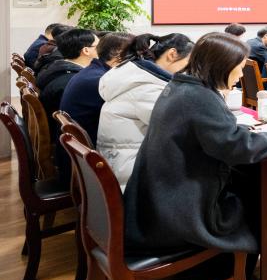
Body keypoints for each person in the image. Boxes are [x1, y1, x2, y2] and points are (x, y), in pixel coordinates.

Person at [123, 33, 267, 280]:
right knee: (256, 206)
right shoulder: (199, 97)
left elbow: (218, 136)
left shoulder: (180, 85)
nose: (240, 76)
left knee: (248, 188)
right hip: (179, 208)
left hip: (158, 197)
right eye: (239, 68)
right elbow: (235, 147)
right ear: (222, 66)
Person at [97, 33, 194, 187]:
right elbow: (181, 128)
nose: (188, 71)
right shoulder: (147, 89)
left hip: (119, 163)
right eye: (188, 64)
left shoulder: (134, 75)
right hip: (132, 176)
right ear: (172, 54)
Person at [36, 28, 98, 186]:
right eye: (98, 46)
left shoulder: (59, 69)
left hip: (63, 143)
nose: (102, 51)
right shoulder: (73, 80)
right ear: (86, 50)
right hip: (70, 154)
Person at [59, 32, 134, 144]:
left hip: (79, 145)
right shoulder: (101, 80)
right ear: (119, 55)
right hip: (91, 147)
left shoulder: (93, 72)